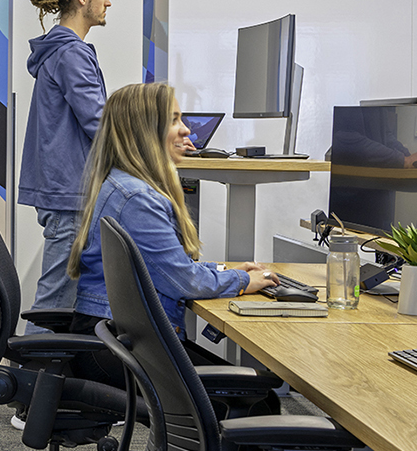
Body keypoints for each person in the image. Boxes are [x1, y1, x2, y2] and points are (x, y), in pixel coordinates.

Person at [66, 82, 278, 378]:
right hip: (118, 345)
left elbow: (164, 268)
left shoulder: (124, 185)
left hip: (112, 335)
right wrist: (243, 280)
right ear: (145, 131)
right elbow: (183, 281)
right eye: (174, 120)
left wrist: (224, 271)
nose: (187, 130)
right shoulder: (138, 198)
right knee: (253, 394)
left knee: (246, 386)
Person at [18, 0, 113, 319]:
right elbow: (99, 122)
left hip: (65, 190)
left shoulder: (60, 51)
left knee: (69, 301)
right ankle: (34, 358)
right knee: (55, 304)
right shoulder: (72, 53)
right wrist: (150, 146)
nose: (108, 2)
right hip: (70, 194)